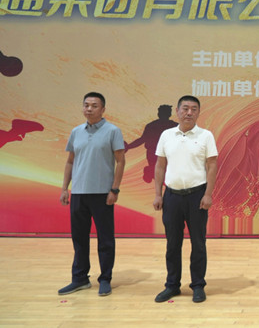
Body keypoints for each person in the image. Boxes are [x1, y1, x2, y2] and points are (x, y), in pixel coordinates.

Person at [58, 92, 125, 297]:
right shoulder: (76, 132)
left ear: (103, 109)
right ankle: (79, 279)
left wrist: (114, 189)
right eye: (86, 105)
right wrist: (65, 188)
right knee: (79, 238)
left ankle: (105, 279)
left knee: (105, 240)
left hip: (102, 194)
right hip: (79, 193)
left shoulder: (112, 131)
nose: (89, 109)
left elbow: (120, 161)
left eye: (94, 106)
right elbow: (70, 161)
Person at [153, 95, 218, 303]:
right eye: (185, 108)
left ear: (198, 112)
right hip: (171, 196)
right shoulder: (166, 135)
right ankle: (172, 285)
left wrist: (208, 194)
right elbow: (160, 165)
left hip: (197, 196)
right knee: (173, 244)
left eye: (194, 109)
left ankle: (198, 285)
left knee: (198, 243)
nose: (189, 113)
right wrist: (158, 194)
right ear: (178, 111)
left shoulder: (206, 136)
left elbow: (212, 166)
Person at [125, 104, 177, 182]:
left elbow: (141, 140)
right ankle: (149, 171)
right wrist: (129, 146)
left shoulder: (173, 126)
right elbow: (142, 139)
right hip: (155, 153)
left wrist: (128, 146)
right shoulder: (174, 126)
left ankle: (149, 172)